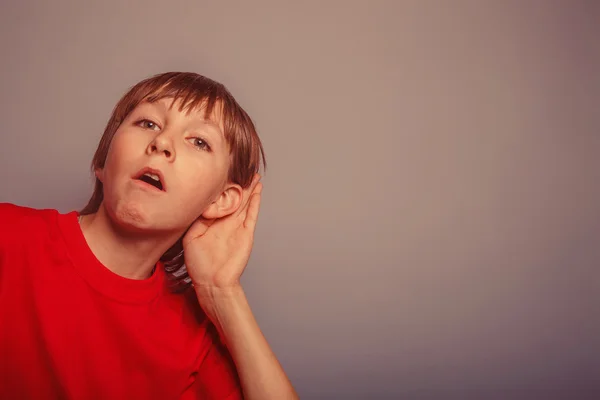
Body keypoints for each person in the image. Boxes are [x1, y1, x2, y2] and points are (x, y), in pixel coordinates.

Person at [0, 72, 298, 399]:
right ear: (103, 161)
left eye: (199, 141)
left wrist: (223, 292)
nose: (162, 143)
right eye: (148, 124)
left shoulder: (194, 339)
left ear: (220, 201)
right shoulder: (8, 235)